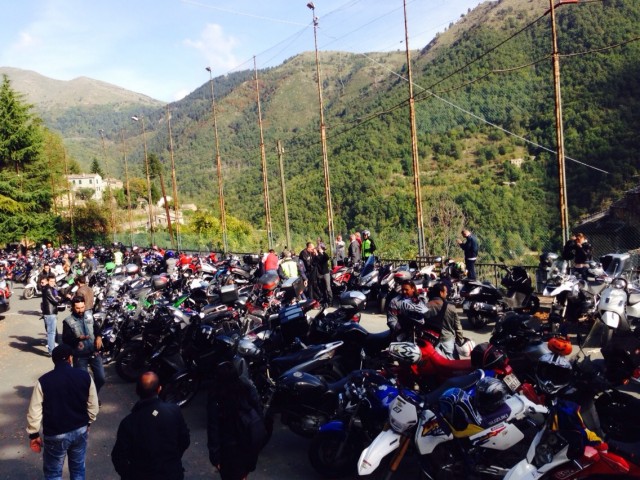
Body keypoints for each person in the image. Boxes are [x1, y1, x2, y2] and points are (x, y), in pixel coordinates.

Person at [26, 344, 99, 480]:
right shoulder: (85, 376)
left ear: (54, 361)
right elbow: (93, 405)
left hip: (55, 434)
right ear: (70, 358)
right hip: (80, 430)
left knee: (53, 473)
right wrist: (88, 422)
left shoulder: (43, 381)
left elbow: (34, 411)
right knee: (78, 469)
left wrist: (34, 434)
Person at [111, 371, 190, 480]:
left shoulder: (129, 422)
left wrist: (130, 475)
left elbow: (119, 457)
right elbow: (184, 440)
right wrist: (173, 460)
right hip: (171, 474)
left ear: (137, 391)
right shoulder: (174, 411)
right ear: (159, 389)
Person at [207, 361, 268, 480]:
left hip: (229, 450)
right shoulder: (247, 388)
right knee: (243, 473)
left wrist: (215, 456)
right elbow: (259, 412)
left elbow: (213, 429)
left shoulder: (216, 397)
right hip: (248, 442)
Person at [62, 296, 105, 394]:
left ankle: (93, 397)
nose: (80, 310)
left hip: (94, 353)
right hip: (79, 356)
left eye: (82, 307)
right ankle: (85, 399)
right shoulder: (67, 321)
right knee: (82, 381)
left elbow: (97, 328)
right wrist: (77, 339)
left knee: (101, 378)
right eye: (77, 308)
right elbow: (66, 340)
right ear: (73, 307)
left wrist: (99, 337)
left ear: (85, 305)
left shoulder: (89, 316)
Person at [423, 282, 465, 359]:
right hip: (448, 340)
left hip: (432, 340)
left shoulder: (425, 307)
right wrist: (460, 339)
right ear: (441, 293)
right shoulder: (451, 307)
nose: (447, 293)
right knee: (452, 362)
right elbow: (458, 326)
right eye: (445, 291)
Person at [41, 274, 62, 356]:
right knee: (51, 333)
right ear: (47, 281)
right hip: (50, 313)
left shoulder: (48, 288)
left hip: (49, 312)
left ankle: (52, 349)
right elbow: (55, 301)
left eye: (54, 281)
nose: (53, 283)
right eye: (51, 281)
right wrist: (63, 299)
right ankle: (52, 351)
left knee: (51, 332)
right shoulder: (48, 289)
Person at [316, 243, 333, 307]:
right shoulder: (317, 255)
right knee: (323, 288)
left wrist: (323, 252)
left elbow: (327, 257)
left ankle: (330, 301)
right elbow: (316, 260)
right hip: (320, 274)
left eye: (320, 248)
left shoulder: (324, 255)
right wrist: (317, 253)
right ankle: (325, 300)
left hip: (326, 273)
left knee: (328, 288)